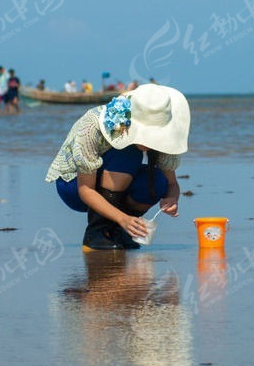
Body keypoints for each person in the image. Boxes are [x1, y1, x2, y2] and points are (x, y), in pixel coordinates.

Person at [45, 84, 190, 250]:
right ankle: (97, 233)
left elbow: (171, 183)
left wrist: (172, 198)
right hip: (73, 186)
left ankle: (121, 231)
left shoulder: (164, 136)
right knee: (128, 154)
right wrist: (122, 218)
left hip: (116, 188)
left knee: (157, 181)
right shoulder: (92, 126)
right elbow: (85, 190)